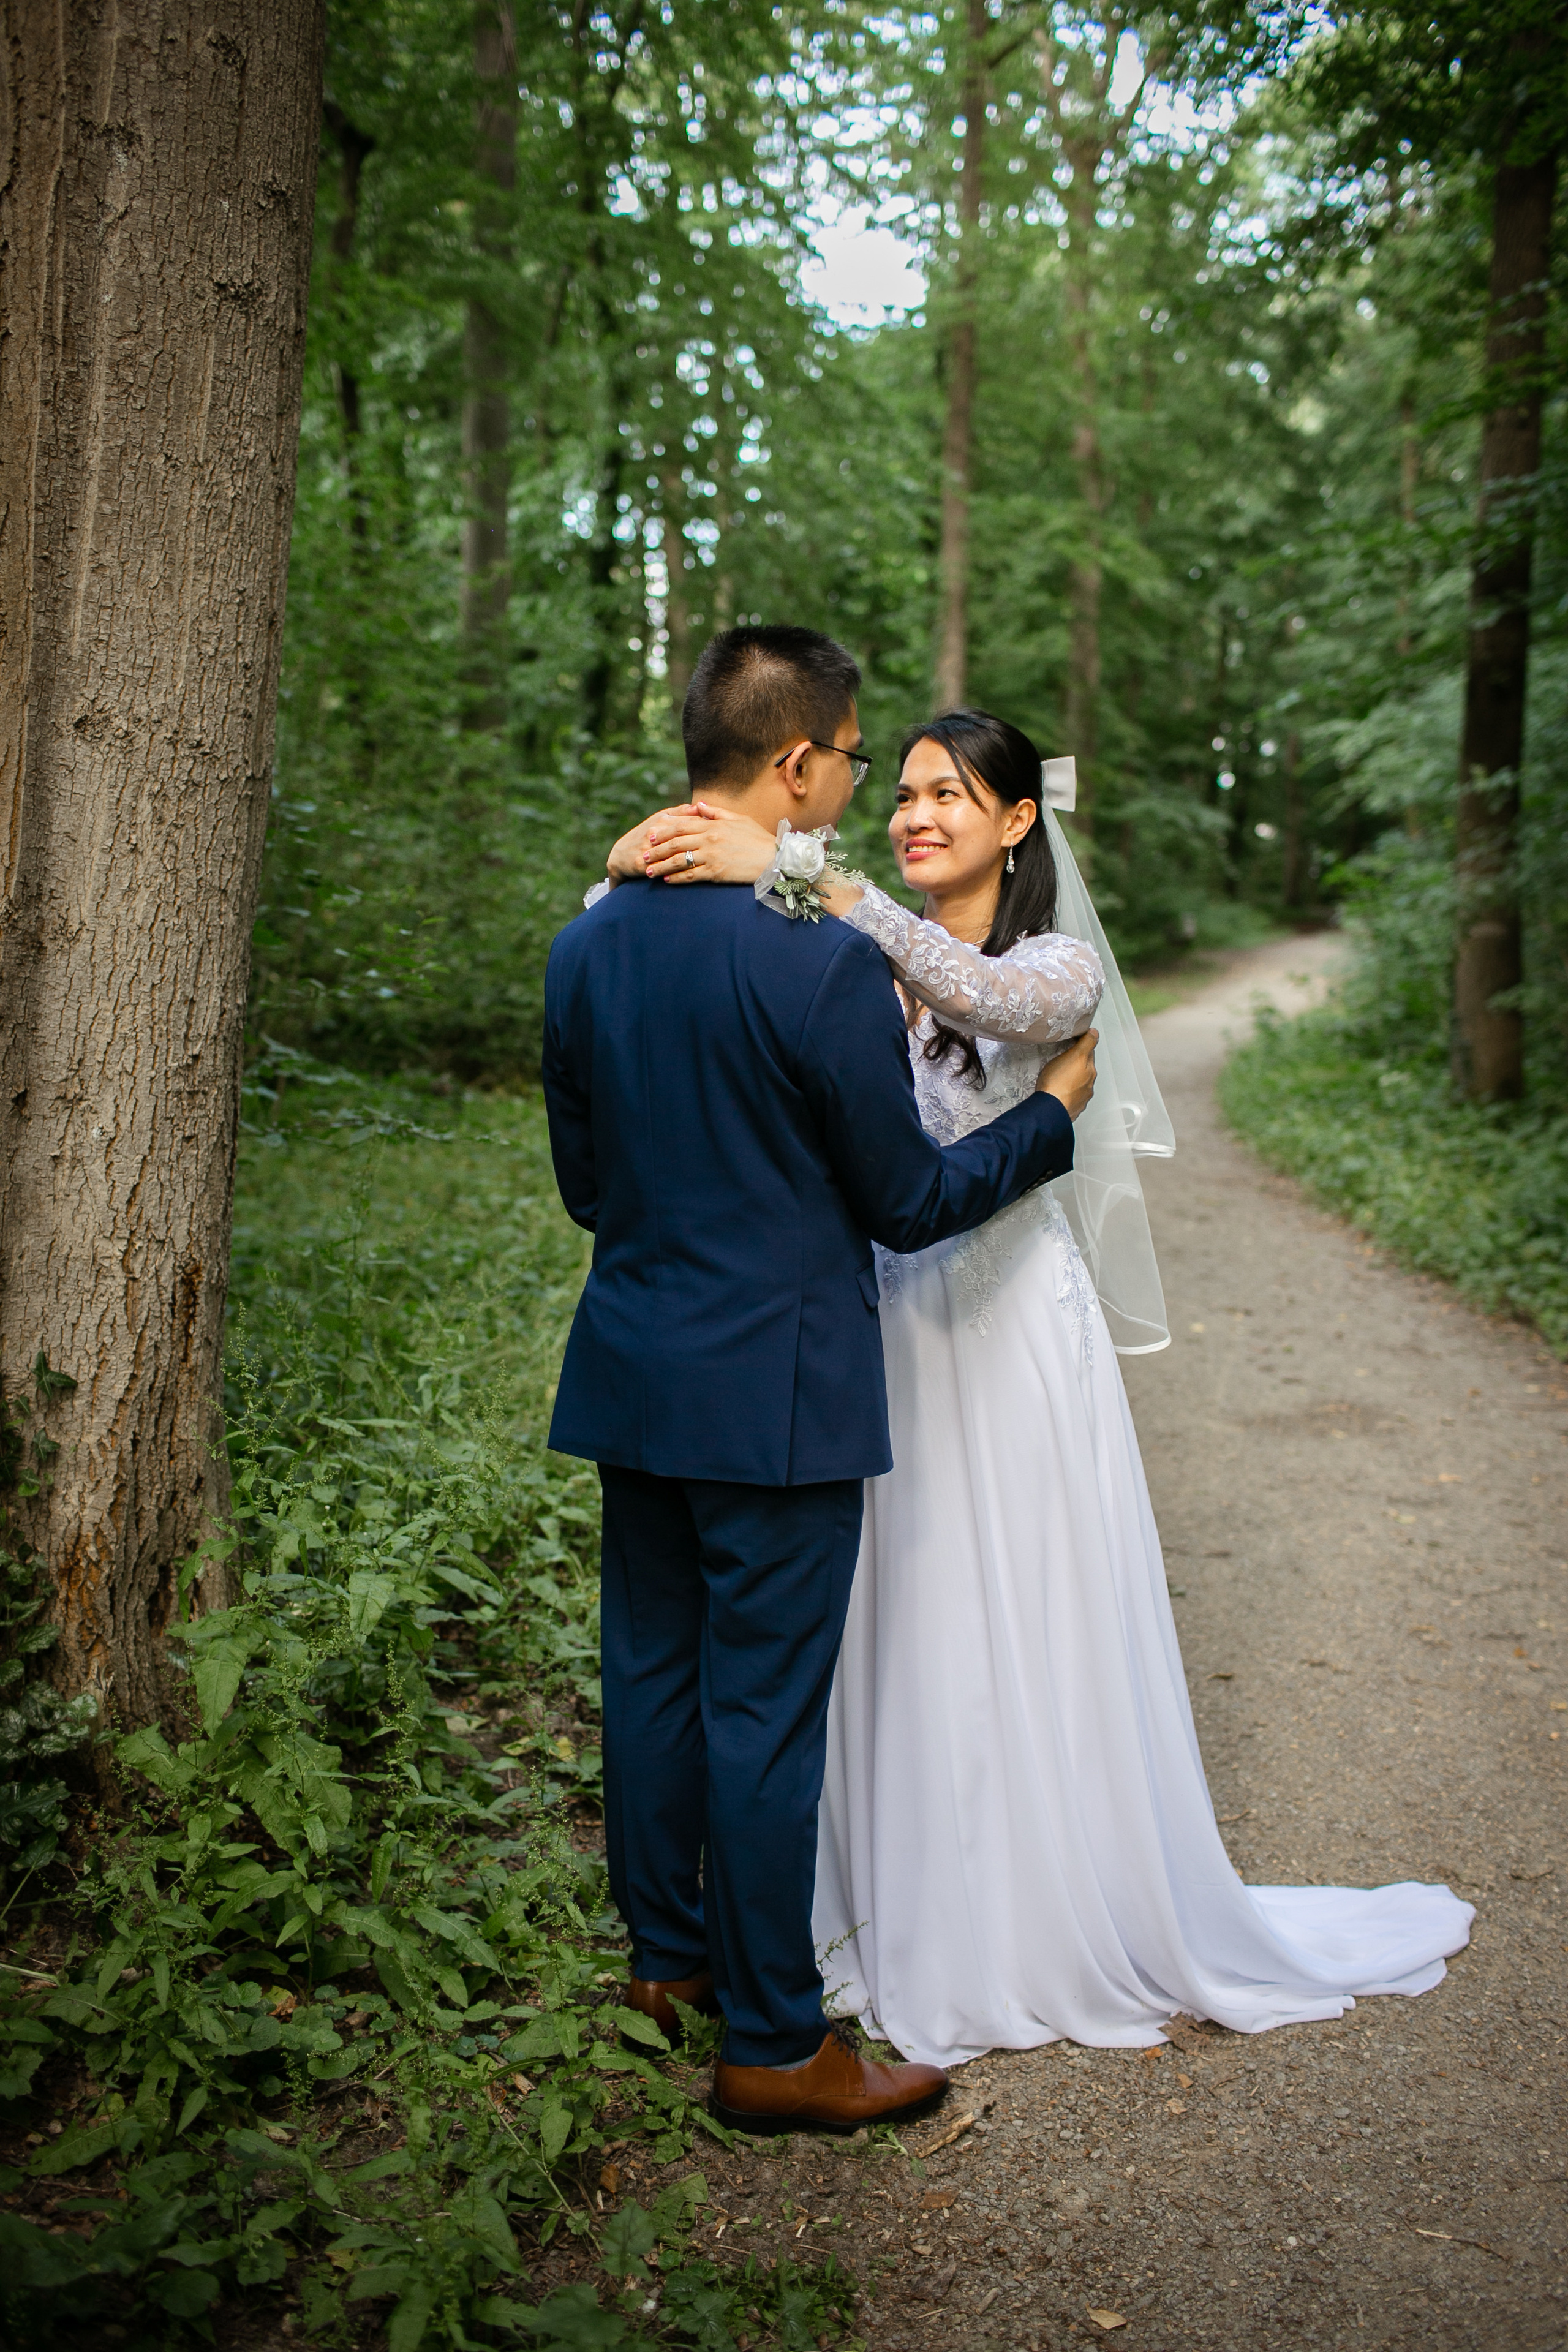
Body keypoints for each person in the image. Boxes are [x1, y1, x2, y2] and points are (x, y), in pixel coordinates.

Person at [616, 701, 1473, 2066]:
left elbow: (991, 1004)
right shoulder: (846, 956)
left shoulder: (1051, 965)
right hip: (879, 1327)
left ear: (1019, 821)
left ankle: (1029, 1904)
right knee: (892, 1612)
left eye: (947, 796)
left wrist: (803, 873)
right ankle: (881, 1899)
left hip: (1008, 1329)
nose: (913, 816)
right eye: (901, 793)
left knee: (1012, 1599)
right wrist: (645, 862)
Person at [541, 630, 1100, 2132]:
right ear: (794, 765)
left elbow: (588, 1190)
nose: (862, 790)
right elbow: (906, 1204)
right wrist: (1046, 1119)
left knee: (650, 1678)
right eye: (855, 762)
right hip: (777, 1392)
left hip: (634, 1373)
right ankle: (776, 2045)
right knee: (763, 1714)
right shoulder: (818, 962)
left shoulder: (585, 945)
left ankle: (665, 1968)